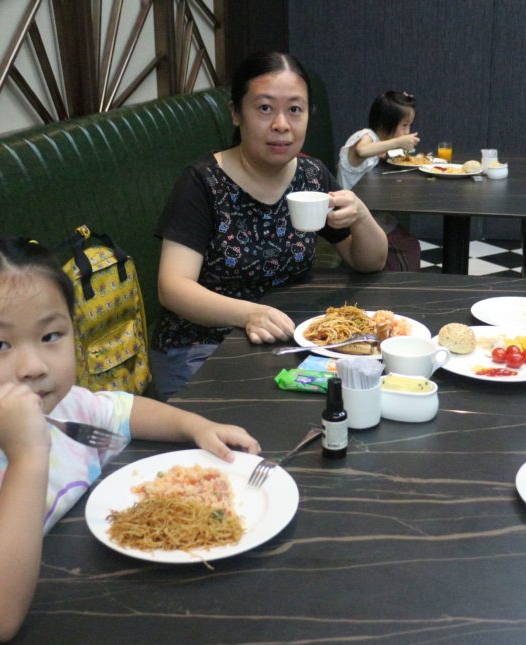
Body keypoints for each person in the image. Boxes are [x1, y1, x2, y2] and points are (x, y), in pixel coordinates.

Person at [0, 236, 260, 645]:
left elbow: (124, 410)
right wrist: (28, 455)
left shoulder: (63, 405)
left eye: (51, 336)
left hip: (89, 604)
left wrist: (194, 426)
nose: (34, 366)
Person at [152, 51, 387, 400]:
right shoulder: (202, 183)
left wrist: (362, 216)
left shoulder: (312, 175)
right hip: (200, 346)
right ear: (236, 113)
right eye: (264, 108)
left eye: (295, 109)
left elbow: (368, 261)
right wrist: (248, 314)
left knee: (363, 395)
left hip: (286, 340)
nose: (281, 124)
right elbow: (172, 287)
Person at [338, 91, 423, 271]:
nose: (407, 132)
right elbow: (362, 151)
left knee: (409, 242)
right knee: (408, 247)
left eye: (410, 125)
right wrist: (398, 142)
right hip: (351, 218)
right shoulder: (365, 136)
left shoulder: (377, 142)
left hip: (369, 211)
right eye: (404, 125)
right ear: (386, 122)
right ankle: (398, 284)